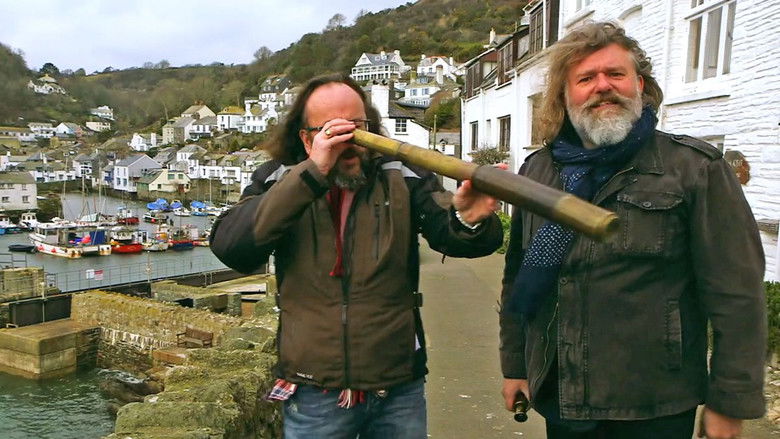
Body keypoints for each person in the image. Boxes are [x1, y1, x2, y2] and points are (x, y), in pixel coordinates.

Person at [499, 22, 766, 439]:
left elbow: (738, 293)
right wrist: (516, 365)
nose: (603, 86)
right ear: (565, 94)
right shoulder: (539, 170)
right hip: (561, 394)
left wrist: (730, 400)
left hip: (655, 402)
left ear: (639, 84)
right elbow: (519, 275)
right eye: (586, 78)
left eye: (615, 74)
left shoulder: (694, 168)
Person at [210, 74, 503, 438]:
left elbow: (453, 237)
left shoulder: (401, 173)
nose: (348, 141)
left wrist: (468, 219)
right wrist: (311, 174)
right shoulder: (279, 178)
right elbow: (232, 247)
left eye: (356, 127)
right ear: (306, 138)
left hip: (397, 385)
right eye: (332, 131)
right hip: (313, 387)